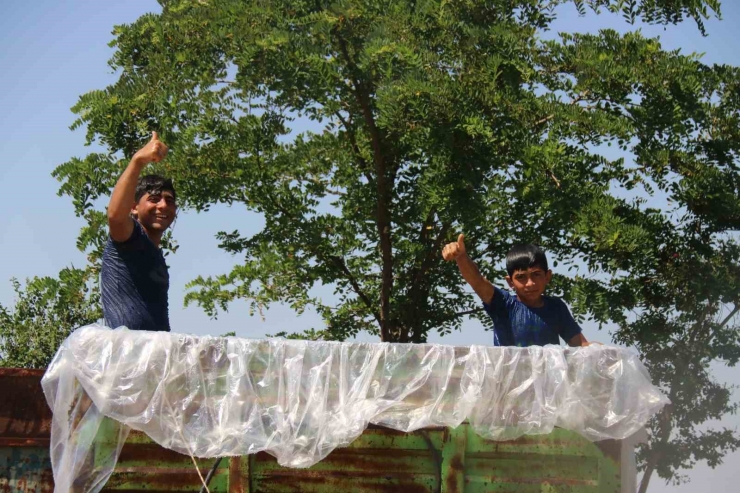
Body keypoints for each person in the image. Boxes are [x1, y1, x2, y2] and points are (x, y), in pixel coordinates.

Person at [442, 235, 591, 347]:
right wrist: (461, 258)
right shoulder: (504, 305)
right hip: (509, 385)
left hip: (546, 386)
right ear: (510, 282)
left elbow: (581, 346)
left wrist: (602, 352)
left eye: (536, 274)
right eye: (521, 277)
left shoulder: (556, 308)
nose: (530, 283)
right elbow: (477, 281)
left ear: (548, 276)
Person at [101, 131, 175, 332]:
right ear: (134, 208)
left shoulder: (156, 256)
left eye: (169, 201)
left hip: (152, 356)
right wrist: (138, 161)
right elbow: (115, 216)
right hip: (125, 357)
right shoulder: (130, 240)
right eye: (154, 199)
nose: (163, 206)